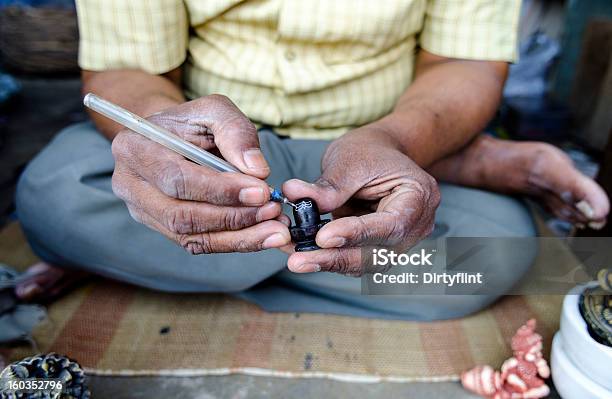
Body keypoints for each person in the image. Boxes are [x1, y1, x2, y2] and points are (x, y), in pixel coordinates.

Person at [14, 0, 609, 319]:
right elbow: (128, 69)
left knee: (498, 255)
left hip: (385, 140)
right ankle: (454, 170)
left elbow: (465, 64)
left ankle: (143, 260)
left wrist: (397, 145)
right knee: (52, 195)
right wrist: (163, 139)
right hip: (219, 150)